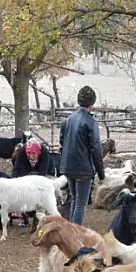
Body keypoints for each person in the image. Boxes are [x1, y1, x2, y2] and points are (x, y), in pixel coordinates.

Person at [59, 86, 105, 225]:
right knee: (80, 203)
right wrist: (101, 172)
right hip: (83, 168)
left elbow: (62, 143)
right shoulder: (91, 121)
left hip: (68, 166)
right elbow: (96, 148)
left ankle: (72, 230)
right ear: (92, 103)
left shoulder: (68, 120)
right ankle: (76, 234)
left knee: (74, 199)